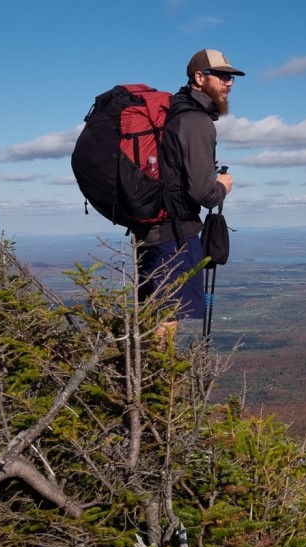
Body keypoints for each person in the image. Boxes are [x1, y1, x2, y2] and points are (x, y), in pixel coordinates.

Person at [132, 49, 244, 335]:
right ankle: (160, 379)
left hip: (150, 232)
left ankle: (143, 374)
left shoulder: (174, 112)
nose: (228, 83)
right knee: (166, 316)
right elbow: (202, 193)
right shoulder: (196, 120)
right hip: (175, 237)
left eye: (230, 77)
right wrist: (221, 187)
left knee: (152, 312)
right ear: (199, 77)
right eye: (221, 76)